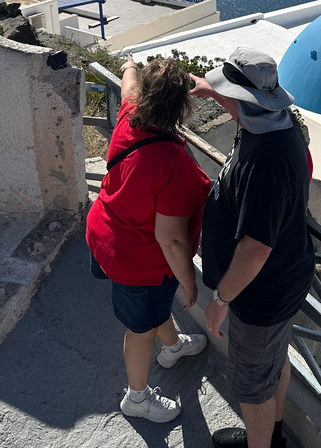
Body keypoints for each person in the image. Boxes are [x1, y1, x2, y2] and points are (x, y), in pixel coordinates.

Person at [190, 48, 315, 448]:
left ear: (241, 100)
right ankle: (273, 440)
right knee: (273, 363)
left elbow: (256, 248)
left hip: (258, 296)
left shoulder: (264, 161)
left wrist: (221, 299)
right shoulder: (278, 125)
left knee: (252, 384)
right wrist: (208, 87)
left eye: (225, 94)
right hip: (284, 282)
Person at [86, 55, 212, 423]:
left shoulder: (129, 116)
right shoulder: (172, 163)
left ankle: (171, 347)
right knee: (139, 329)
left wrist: (129, 66)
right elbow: (170, 240)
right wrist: (190, 282)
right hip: (138, 259)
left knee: (149, 307)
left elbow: (128, 86)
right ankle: (137, 399)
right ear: (180, 108)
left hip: (105, 234)